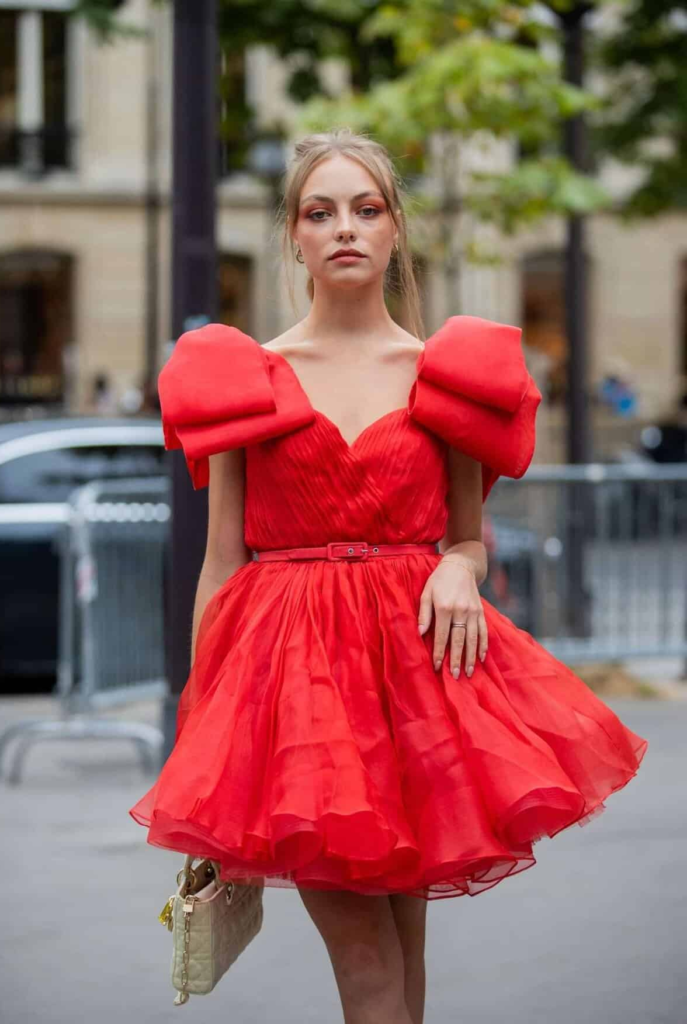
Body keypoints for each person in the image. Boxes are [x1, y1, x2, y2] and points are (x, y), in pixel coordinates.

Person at [129, 129, 648, 1024]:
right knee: (368, 963)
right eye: (320, 212)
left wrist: (458, 563)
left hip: (417, 685)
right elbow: (222, 562)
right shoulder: (246, 374)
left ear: (395, 228)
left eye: (366, 210)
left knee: (403, 962)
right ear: (292, 234)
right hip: (293, 692)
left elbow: (468, 534)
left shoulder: (446, 373)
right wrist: (204, 728)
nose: (345, 230)